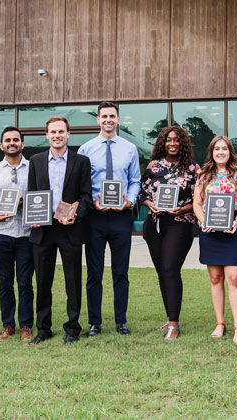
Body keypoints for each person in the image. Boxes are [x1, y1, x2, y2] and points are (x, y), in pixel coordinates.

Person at [77, 101, 141, 337]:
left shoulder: (129, 148)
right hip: (95, 218)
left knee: (120, 272)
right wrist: (92, 200)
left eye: (112, 116)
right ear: (97, 119)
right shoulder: (86, 149)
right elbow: (81, 183)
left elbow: (135, 180)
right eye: (104, 116)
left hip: (121, 218)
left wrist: (130, 201)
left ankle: (121, 321)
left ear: (118, 119)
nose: (108, 120)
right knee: (94, 272)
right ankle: (95, 322)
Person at [28, 117, 92, 345]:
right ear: (46, 135)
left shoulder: (81, 161)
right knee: (43, 282)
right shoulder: (35, 161)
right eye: (52, 131)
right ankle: (43, 329)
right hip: (42, 231)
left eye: (61, 131)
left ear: (68, 134)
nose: (57, 135)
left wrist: (76, 211)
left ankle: (72, 329)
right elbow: (32, 194)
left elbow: (86, 197)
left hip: (70, 229)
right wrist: (31, 216)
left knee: (72, 282)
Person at [139, 126, 199, 341]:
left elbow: (199, 199)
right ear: (162, 143)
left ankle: (174, 323)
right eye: (168, 140)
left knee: (171, 269)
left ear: (183, 143)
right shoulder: (154, 166)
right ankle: (169, 318)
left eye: (177, 140)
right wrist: (150, 204)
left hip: (180, 223)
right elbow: (142, 192)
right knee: (162, 272)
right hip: (154, 223)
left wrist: (183, 209)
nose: (172, 143)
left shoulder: (193, 168)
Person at [193, 136, 237, 344]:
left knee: (234, 278)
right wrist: (202, 222)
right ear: (211, 152)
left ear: (230, 152)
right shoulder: (203, 176)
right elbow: (197, 204)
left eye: (224, 149)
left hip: (233, 231)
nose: (220, 152)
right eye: (217, 148)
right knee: (215, 278)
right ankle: (220, 323)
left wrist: (236, 220)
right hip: (210, 232)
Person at [0, 126, 34, 341]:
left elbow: (42, 198)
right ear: (1, 145)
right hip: (2, 233)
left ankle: (26, 326)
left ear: (22, 144)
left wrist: (26, 203)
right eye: (7, 140)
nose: (12, 143)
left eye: (16, 140)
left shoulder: (35, 168)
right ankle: (8, 325)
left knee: (25, 282)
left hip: (27, 233)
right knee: (5, 281)